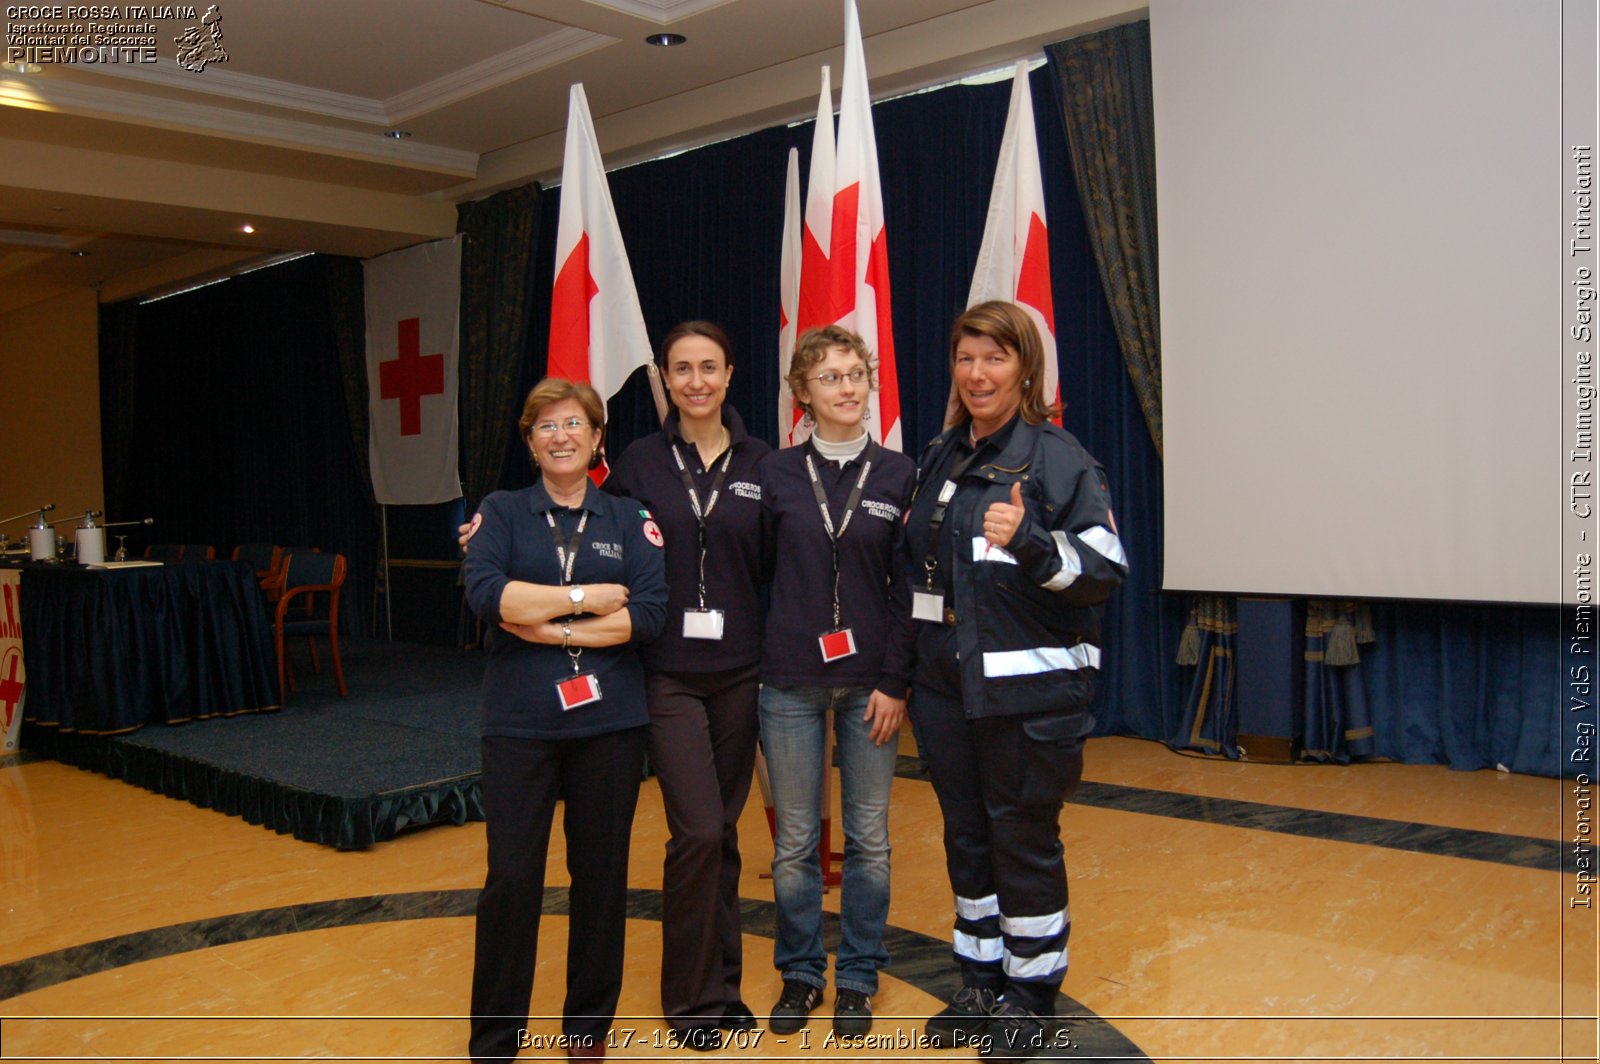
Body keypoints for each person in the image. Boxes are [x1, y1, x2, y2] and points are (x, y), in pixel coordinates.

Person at [900, 302, 1127, 1063]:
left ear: (1025, 368)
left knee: (1022, 841)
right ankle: (981, 979)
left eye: (994, 358)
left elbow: (1103, 573)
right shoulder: (939, 455)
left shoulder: (1060, 459)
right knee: (967, 840)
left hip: (1029, 698)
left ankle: (1031, 996)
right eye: (966, 359)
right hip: (945, 689)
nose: (977, 374)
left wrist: (1031, 540)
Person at [463, 378, 668, 1063]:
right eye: (546, 426)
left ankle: (587, 1028)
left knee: (603, 880)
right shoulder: (501, 511)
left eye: (574, 423)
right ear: (530, 443)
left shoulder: (627, 516)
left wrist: (538, 616)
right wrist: (579, 603)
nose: (561, 436)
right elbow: (487, 595)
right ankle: (496, 1037)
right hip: (519, 724)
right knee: (513, 880)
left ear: (596, 438)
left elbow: (648, 612)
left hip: (608, 725)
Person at [602, 321, 771, 1049]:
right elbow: (587, 531)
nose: (696, 381)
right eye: (682, 369)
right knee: (697, 830)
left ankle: (723, 985)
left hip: (742, 672)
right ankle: (691, 1002)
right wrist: (494, 529)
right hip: (667, 673)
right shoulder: (639, 462)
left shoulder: (765, 463)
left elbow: (793, 556)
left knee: (723, 833)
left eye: (709, 367)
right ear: (665, 380)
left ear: (731, 374)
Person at [757, 325, 915, 1037]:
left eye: (857, 374)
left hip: (871, 686)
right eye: (831, 377)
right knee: (794, 842)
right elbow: (747, 570)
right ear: (803, 393)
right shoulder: (775, 474)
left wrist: (896, 680)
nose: (849, 388)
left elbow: (915, 589)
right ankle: (799, 972)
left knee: (870, 838)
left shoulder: (898, 474)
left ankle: (856, 974)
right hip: (787, 680)